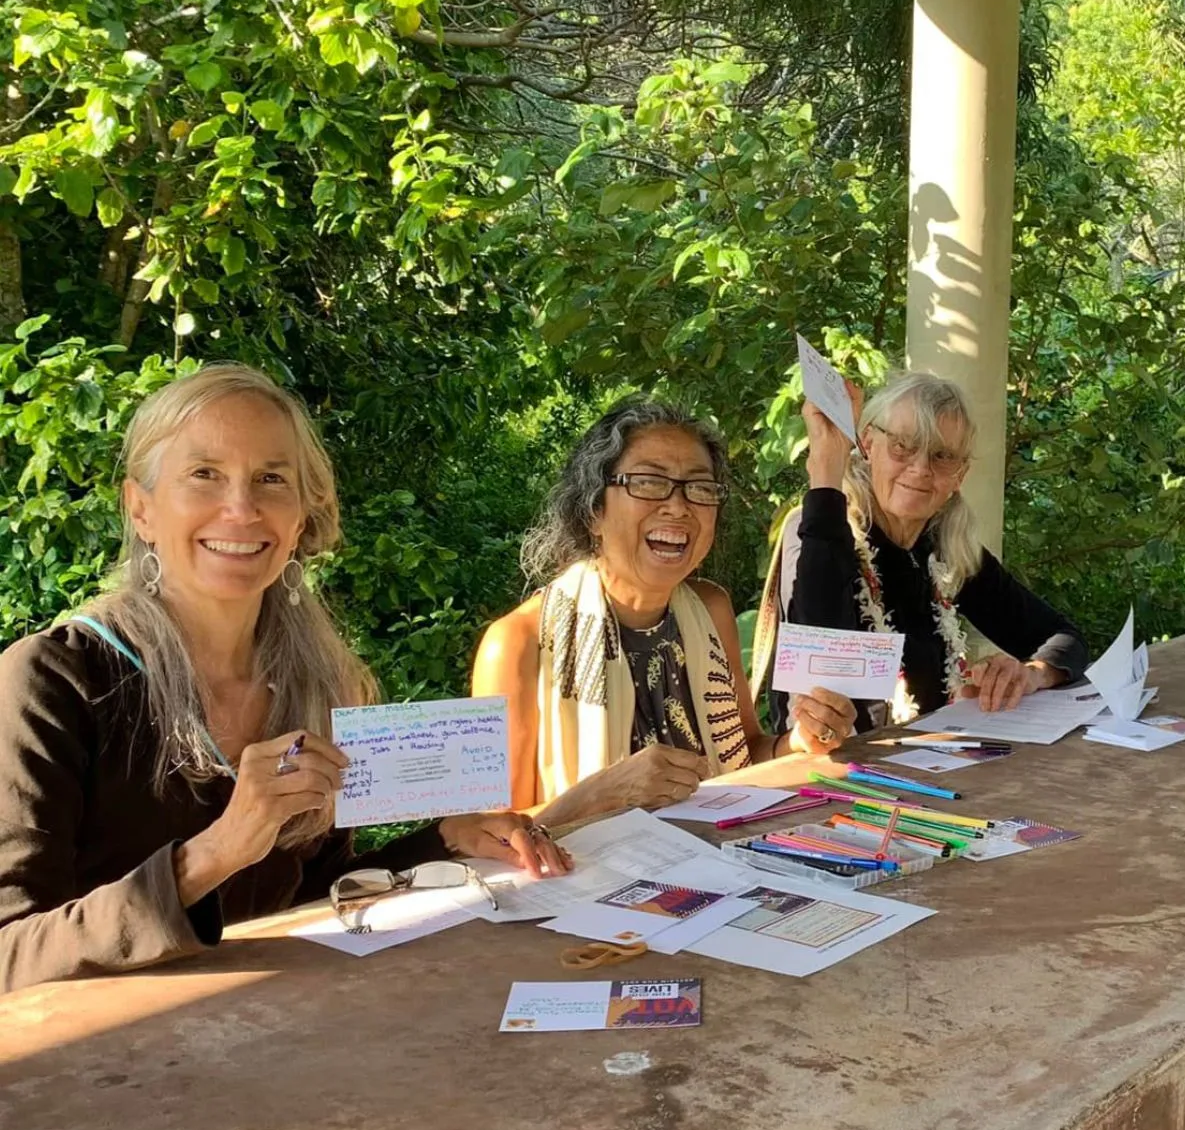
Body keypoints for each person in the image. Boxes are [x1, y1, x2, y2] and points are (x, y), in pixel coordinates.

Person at [0, 363, 569, 995]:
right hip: (107, 1065)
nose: (241, 509)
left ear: (299, 519)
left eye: (271, 479)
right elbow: (13, 954)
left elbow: (315, 898)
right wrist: (214, 853)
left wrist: (445, 840)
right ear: (140, 508)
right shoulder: (52, 681)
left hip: (274, 1039)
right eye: (204, 475)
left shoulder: (318, 686)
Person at [472, 398, 856, 828]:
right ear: (593, 510)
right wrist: (605, 794)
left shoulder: (712, 609)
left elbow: (749, 753)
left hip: (726, 862)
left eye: (699, 487)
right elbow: (492, 838)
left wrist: (801, 739)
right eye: (649, 483)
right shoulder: (518, 643)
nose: (678, 506)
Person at [755, 372, 1087, 734]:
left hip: (930, 763)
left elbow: (1064, 638)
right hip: (831, 769)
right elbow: (822, 658)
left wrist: (1032, 675)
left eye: (942, 456)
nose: (920, 469)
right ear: (867, 443)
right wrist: (825, 475)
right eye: (903, 446)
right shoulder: (821, 527)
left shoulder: (946, 545)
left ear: (960, 473)